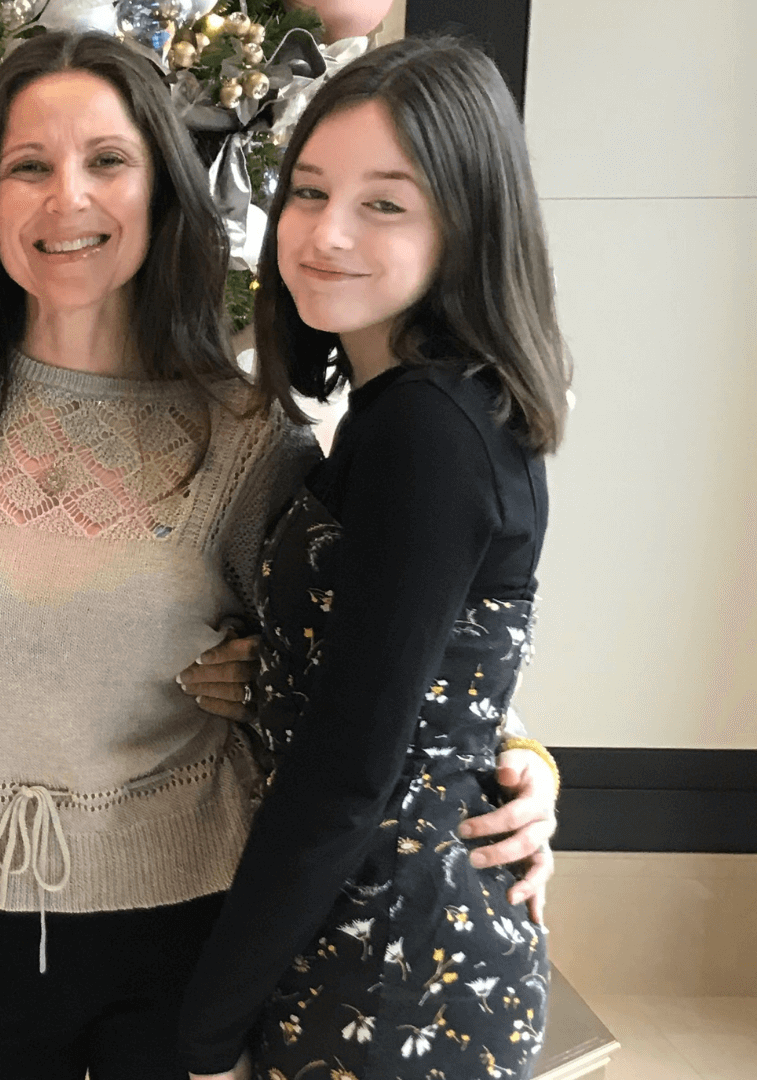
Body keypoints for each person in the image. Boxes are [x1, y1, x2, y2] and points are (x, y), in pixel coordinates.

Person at [0, 31, 558, 1080]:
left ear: (163, 191)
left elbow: (370, 662)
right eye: (28, 166)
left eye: (107, 161)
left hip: (183, 917)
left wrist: (522, 761)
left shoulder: (245, 432)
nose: (67, 200)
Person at [178, 38, 571, 1080]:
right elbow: (425, 670)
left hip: (393, 970)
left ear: (465, 222)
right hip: (380, 944)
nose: (325, 233)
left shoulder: (427, 428)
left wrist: (207, 1032)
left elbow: (350, 770)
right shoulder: (413, 410)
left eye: (384, 204)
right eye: (308, 193)